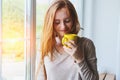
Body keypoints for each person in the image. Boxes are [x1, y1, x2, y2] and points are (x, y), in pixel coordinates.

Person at [36, 0, 99, 80]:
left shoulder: (86, 44)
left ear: (73, 20)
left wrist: (80, 59)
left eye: (67, 21)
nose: (63, 27)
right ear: (51, 24)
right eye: (57, 22)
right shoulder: (44, 45)